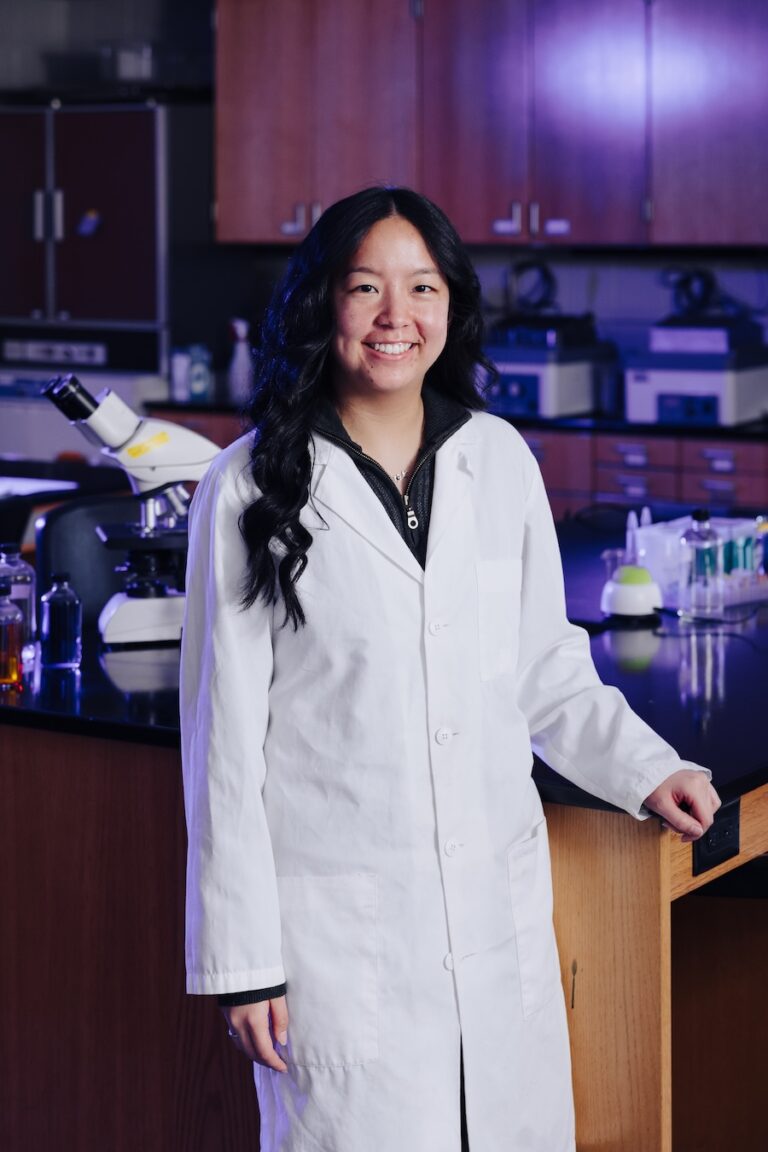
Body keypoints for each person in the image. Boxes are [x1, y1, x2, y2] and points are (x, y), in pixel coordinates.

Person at [180, 186, 720, 1152]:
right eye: (365, 288)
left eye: (421, 287)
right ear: (321, 305)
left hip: (494, 926)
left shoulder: (497, 458)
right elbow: (223, 750)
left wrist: (650, 769)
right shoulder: (248, 488)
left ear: (451, 307)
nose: (397, 317)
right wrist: (243, 962)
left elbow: (546, 664)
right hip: (343, 947)